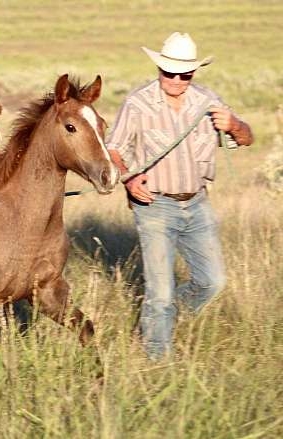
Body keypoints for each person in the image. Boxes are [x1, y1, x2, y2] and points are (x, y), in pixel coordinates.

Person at [106, 32, 254, 360]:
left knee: (212, 281)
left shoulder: (209, 101)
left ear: (194, 73)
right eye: (168, 71)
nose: (175, 79)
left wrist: (234, 124)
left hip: (197, 204)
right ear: (159, 68)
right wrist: (129, 178)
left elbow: (246, 139)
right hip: (155, 205)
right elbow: (114, 148)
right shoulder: (138, 103)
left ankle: (165, 320)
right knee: (160, 293)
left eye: (184, 73)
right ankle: (157, 362)